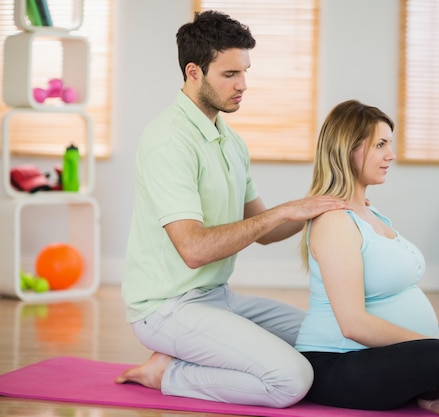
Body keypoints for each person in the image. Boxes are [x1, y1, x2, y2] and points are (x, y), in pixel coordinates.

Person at [114, 11, 348, 408]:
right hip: (166, 309)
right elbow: (194, 250)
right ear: (194, 72)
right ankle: (167, 372)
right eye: (229, 74)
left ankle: (188, 357)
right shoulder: (168, 141)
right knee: (292, 380)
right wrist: (281, 212)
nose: (243, 85)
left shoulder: (230, 141)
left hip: (218, 297)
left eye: (245, 72)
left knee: (331, 335)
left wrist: (321, 202)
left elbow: (265, 231)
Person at [295, 100, 439, 417]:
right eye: (380, 145)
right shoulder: (334, 223)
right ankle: (434, 386)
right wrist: (431, 341)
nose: (390, 155)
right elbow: (353, 325)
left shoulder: (370, 210)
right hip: (338, 361)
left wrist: (432, 340)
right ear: (348, 149)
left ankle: (431, 390)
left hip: (386, 354)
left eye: (389, 144)